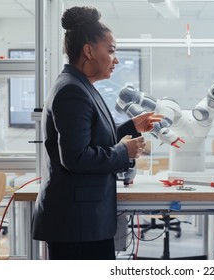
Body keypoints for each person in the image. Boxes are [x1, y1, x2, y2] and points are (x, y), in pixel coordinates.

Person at [31, 6, 162, 260]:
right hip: (76, 224)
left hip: (82, 221)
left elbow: (90, 135)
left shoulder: (80, 85)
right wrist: (125, 150)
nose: (116, 59)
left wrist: (130, 127)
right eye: (111, 51)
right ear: (88, 51)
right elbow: (76, 157)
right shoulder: (72, 91)